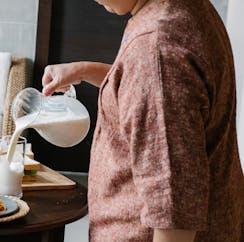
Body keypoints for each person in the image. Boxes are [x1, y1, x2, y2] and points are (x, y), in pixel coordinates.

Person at [42, 0, 243, 241]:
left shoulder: (155, 46)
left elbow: (173, 209)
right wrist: (85, 70)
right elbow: (152, 91)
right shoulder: (182, 8)